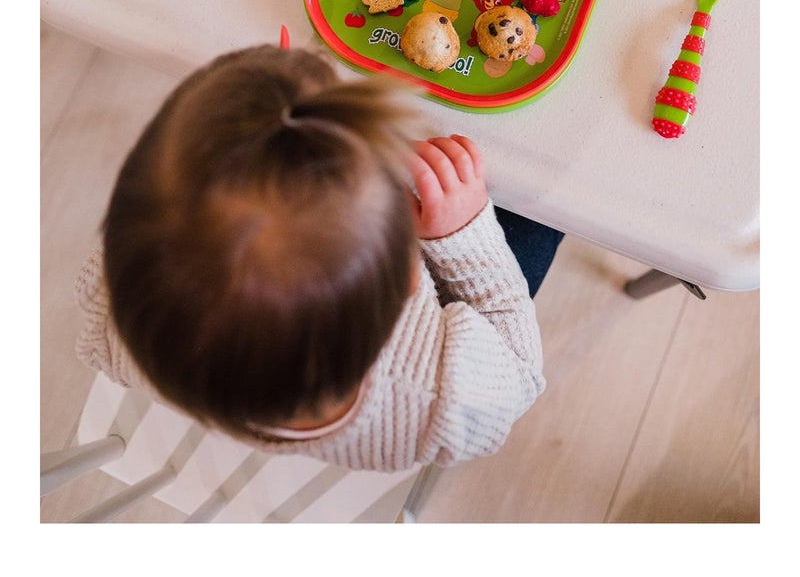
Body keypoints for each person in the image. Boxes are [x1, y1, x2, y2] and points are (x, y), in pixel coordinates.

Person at [75, 43, 562, 472]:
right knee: (547, 198)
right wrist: (463, 237)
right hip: (448, 360)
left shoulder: (115, 314)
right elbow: (521, 371)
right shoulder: (450, 401)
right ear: (410, 274)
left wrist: (270, 93)